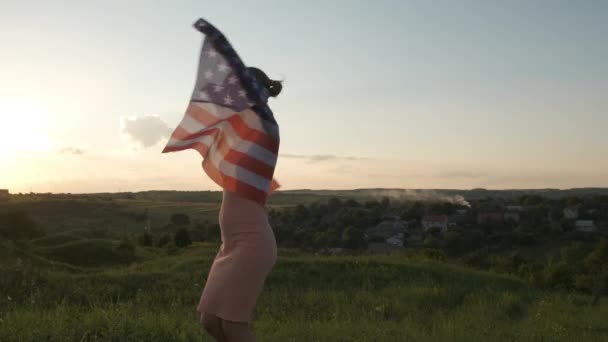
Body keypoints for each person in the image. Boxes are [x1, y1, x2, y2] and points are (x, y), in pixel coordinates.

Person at [198, 67, 283, 342]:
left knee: (234, 327)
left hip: (252, 243)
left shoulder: (265, 131)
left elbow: (258, 116)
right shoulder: (237, 134)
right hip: (230, 244)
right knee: (210, 321)